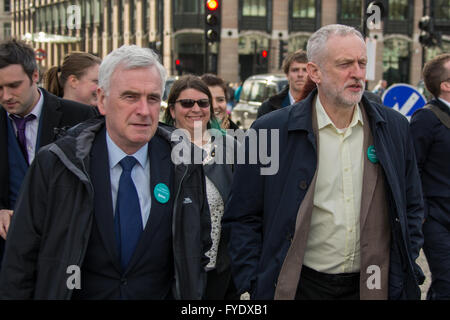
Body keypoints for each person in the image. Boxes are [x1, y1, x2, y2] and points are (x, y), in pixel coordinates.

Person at [222, 24, 425, 300]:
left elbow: (412, 205)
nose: (357, 73)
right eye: (345, 64)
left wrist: (405, 264)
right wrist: (255, 282)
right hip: (300, 286)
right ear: (314, 72)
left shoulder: (394, 127)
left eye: (361, 63)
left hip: (373, 286)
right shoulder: (269, 131)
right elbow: (243, 215)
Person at [0, 45, 211, 299]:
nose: (144, 111)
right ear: (102, 100)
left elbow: (198, 248)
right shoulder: (56, 164)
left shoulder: (185, 165)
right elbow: (20, 260)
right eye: (130, 97)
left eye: (153, 98)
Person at [0, 40, 97, 269]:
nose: (6, 96)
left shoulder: (80, 116)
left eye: (14, 85)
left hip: (65, 255)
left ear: (35, 75)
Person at [163, 75, 238, 299]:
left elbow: (245, 208)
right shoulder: (158, 148)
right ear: (173, 109)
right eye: (187, 103)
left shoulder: (231, 147)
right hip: (171, 270)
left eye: (203, 103)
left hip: (220, 269)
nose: (196, 108)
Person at [410, 53, 450, 300]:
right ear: (446, 85)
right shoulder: (426, 118)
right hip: (437, 219)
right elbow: (412, 168)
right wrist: (422, 214)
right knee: (447, 282)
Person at [257, 50, 308, 118]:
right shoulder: (268, 108)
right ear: (287, 74)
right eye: (295, 70)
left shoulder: (321, 105)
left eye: (305, 70)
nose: (300, 74)